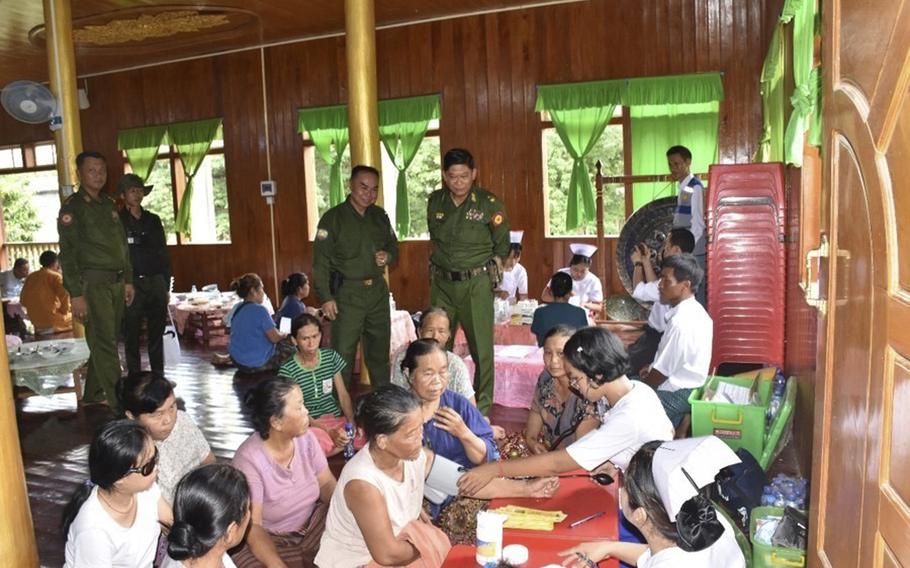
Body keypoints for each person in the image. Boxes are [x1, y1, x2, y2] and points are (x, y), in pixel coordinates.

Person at [315, 385, 559, 568]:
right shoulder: (363, 483)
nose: (420, 438)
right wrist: (426, 542)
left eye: (421, 427)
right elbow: (387, 554)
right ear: (382, 440)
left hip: (400, 547)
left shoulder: (415, 457)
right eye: (412, 433)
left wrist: (528, 488)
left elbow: (465, 482)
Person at [457, 327, 673, 497]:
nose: (573, 385)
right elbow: (667, 431)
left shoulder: (628, 417)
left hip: (651, 497)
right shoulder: (638, 390)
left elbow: (557, 463)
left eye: (575, 378)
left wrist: (495, 469)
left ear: (596, 376)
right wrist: (615, 463)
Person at [558, 438, 745, 568]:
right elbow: (660, 557)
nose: (621, 488)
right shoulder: (705, 518)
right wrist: (609, 547)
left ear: (639, 514)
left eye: (625, 484)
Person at [427, 148, 510, 413]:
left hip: (476, 284)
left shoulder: (489, 203)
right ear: (444, 176)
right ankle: (439, 401)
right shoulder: (435, 202)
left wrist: (494, 269)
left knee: (481, 350)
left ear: (473, 174)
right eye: (453, 177)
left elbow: (502, 245)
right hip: (442, 283)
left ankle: (481, 409)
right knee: (436, 344)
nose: (459, 182)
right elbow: (435, 239)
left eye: (464, 176)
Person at [231, 377, 336, 567]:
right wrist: (277, 565)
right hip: (271, 538)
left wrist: (348, 514)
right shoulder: (248, 460)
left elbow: (327, 484)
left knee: (355, 538)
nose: (307, 412)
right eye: (299, 407)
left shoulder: (307, 439)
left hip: (313, 524)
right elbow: (254, 525)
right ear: (277, 422)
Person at [58, 151, 134, 411]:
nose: (98, 175)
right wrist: (76, 294)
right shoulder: (72, 208)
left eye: (102, 170)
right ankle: (120, 406)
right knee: (105, 343)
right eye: (92, 170)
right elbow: (67, 255)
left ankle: (92, 393)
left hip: (115, 282)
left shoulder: (109, 204)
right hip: (93, 284)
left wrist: (128, 280)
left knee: (107, 338)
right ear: (80, 173)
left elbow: (122, 247)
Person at [313, 165, 398, 389]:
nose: (368, 194)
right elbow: (320, 262)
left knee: (379, 351)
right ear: (350, 184)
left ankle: (383, 402)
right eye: (363, 187)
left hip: (377, 292)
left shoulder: (380, 216)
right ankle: (337, 407)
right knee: (343, 353)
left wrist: (387, 256)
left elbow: (394, 247)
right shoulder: (332, 219)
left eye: (374, 189)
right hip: (347, 294)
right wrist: (325, 297)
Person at [62, 419, 172, 567]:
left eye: (155, 456)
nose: (157, 467)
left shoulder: (146, 491)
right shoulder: (94, 530)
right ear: (119, 478)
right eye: (149, 465)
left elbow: (172, 524)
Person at [116, 372, 215, 504]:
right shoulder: (130, 452)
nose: (169, 419)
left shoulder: (183, 420)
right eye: (157, 414)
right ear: (132, 416)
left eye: (172, 407)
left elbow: (209, 461)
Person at [401, 338, 496, 470]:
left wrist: (463, 432)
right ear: (408, 374)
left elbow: (487, 457)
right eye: (428, 373)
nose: (437, 381)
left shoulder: (459, 405)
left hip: (464, 482)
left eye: (442, 372)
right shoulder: (397, 411)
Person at [642, 253, 713, 429]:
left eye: (666, 280)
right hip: (687, 384)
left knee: (626, 407)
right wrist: (650, 368)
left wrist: (640, 390)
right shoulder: (695, 311)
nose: (660, 284)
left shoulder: (682, 322)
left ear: (685, 285)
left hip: (678, 392)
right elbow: (668, 361)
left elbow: (662, 372)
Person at [277, 313, 356, 456]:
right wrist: (329, 431)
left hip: (334, 417)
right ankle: (336, 446)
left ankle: (335, 446)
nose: (311, 343)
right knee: (309, 440)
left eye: (315, 336)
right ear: (295, 340)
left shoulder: (330, 357)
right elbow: (297, 408)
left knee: (365, 431)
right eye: (305, 338)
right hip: (309, 423)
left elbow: (343, 395)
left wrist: (352, 423)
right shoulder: (288, 369)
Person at [119, 173, 172, 375]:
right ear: (123, 195)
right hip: (132, 284)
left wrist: (166, 285)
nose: (137, 194)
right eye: (132, 191)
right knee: (131, 333)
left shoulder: (153, 219)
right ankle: (134, 377)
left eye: (140, 190)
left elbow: (163, 253)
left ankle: (159, 376)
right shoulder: (117, 221)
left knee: (156, 332)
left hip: (156, 281)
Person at [628, 228, 695, 377]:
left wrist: (638, 264)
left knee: (626, 368)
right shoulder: (682, 272)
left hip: (656, 339)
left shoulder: (673, 279)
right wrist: (646, 260)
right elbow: (655, 285)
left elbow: (639, 291)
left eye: (667, 246)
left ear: (676, 250)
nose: (663, 250)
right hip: (655, 335)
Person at [524, 325, 601, 454]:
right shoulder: (546, 378)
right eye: (548, 353)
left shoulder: (588, 391)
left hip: (577, 459)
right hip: (549, 449)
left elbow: (581, 453)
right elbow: (536, 410)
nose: (553, 361)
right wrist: (531, 441)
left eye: (561, 354)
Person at [162, 464, 251, 568]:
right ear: (230, 532)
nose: (250, 515)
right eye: (248, 509)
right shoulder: (212, 556)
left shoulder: (207, 554)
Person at [391, 307, 476, 404]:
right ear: (419, 332)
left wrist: (458, 420)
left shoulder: (456, 364)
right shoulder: (404, 357)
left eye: (441, 331)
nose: (435, 336)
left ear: (449, 335)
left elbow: (471, 408)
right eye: (430, 330)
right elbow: (396, 400)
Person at [223, 273, 296, 372]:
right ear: (253, 291)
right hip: (257, 364)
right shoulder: (260, 310)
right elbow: (274, 338)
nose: (263, 293)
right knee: (292, 350)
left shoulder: (237, 308)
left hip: (238, 361)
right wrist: (283, 334)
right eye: (262, 289)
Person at [667, 145, 707, 306]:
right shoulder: (683, 187)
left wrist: (687, 251)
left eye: (677, 164)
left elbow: (698, 223)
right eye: (670, 164)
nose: (673, 168)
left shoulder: (695, 186)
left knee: (695, 291)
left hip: (694, 250)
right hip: (687, 249)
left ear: (688, 162)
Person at [19, 250, 72, 334]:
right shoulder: (56, 276)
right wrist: (65, 311)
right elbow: (64, 296)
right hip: (52, 320)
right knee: (78, 318)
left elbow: (23, 300)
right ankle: (54, 328)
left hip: (35, 320)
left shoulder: (30, 277)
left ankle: (47, 328)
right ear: (56, 262)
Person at [541, 243, 603, 314]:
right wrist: (566, 301)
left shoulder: (594, 281)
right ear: (570, 266)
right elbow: (544, 296)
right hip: (559, 312)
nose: (579, 274)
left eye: (583, 271)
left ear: (588, 269)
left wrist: (583, 304)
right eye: (575, 270)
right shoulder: (561, 274)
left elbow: (598, 307)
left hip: (582, 314)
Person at [530, 271, 588, 346]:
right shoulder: (580, 313)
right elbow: (583, 339)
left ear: (550, 292)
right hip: (571, 355)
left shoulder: (540, 312)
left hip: (547, 354)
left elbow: (537, 336)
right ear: (570, 293)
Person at [495, 230, 528, 302]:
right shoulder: (492, 267)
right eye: (509, 258)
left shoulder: (520, 271)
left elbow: (523, 296)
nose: (513, 262)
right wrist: (498, 293)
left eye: (516, 258)